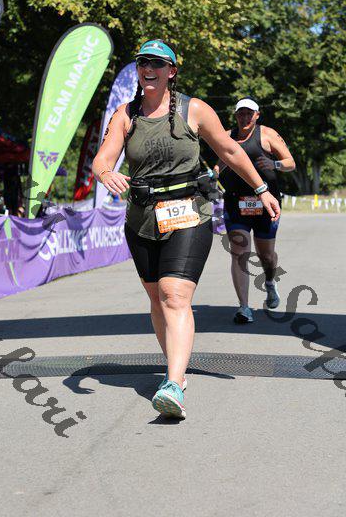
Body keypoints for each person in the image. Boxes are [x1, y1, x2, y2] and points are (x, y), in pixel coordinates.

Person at [92, 40, 280, 419]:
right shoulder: (126, 115)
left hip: (189, 213)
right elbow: (102, 159)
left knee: (173, 294)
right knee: (156, 299)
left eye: (157, 63)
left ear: (171, 71)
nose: (149, 68)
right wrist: (106, 173)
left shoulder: (193, 109)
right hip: (141, 219)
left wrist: (261, 189)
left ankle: (174, 383)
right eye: (143, 62)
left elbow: (230, 151)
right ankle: (175, 369)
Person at [214, 97, 295, 324]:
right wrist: (213, 175)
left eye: (249, 113)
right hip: (235, 203)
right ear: (235, 115)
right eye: (241, 113)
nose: (245, 117)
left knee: (266, 255)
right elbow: (220, 164)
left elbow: (290, 162)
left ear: (257, 115)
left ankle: (269, 281)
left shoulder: (267, 135)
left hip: (266, 204)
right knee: (239, 252)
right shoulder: (227, 137)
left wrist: (275, 164)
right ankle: (244, 307)